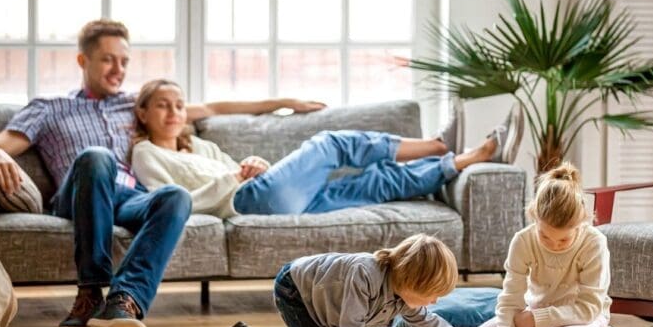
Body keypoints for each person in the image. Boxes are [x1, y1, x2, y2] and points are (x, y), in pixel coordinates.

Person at [0, 19, 324, 327]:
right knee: (97, 157)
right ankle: (90, 292)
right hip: (80, 196)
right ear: (83, 61)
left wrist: (282, 103)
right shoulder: (50, 108)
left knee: (175, 196)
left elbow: (212, 107)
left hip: (128, 197)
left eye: (124, 61)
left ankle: (124, 303)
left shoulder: (134, 104)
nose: (118, 69)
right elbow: (5, 143)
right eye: (108, 59)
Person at [129, 79, 519, 218]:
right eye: (162, 105)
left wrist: (253, 163)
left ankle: (467, 157)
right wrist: (235, 179)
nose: (173, 112)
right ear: (143, 113)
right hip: (247, 201)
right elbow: (167, 202)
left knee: (375, 183)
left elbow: (238, 167)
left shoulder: (199, 144)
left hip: (269, 195)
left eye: (179, 105)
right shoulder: (146, 154)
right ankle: (436, 143)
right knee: (330, 143)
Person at [224, 234, 510, 327]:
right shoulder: (365, 274)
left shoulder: (404, 297)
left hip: (325, 305)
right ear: (410, 280)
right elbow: (351, 324)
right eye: (430, 294)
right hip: (296, 290)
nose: (434, 302)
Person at [471, 162, 616, 327]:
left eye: (564, 240)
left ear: (581, 223)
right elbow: (511, 298)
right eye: (545, 237)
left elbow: (588, 308)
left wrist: (536, 319)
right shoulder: (523, 240)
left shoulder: (594, 243)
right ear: (534, 217)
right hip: (538, 315)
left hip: (584, 317)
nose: (554, 245)